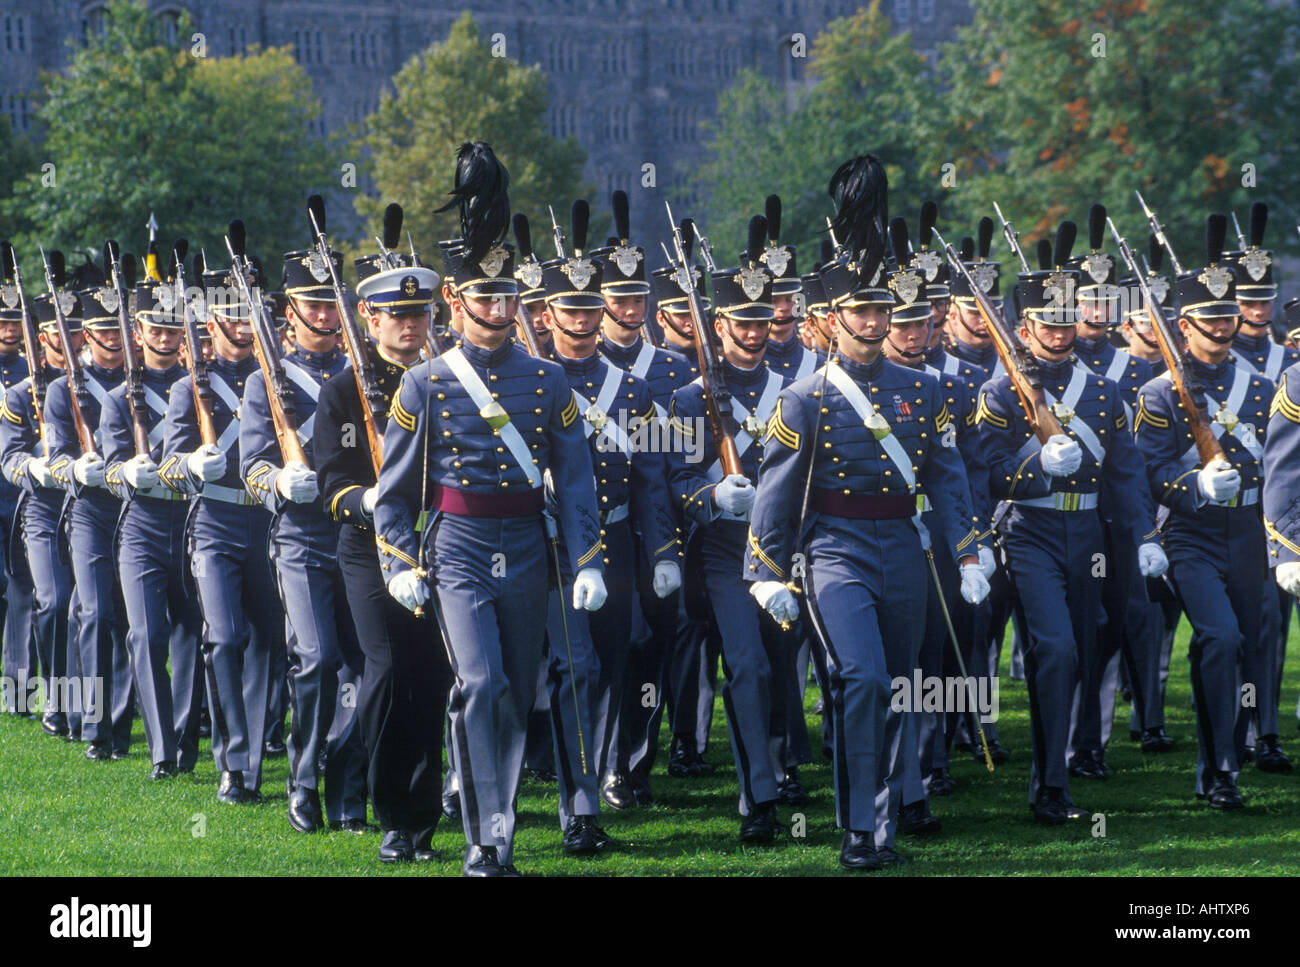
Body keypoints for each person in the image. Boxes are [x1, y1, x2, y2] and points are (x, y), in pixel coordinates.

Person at [748, 154, 988, 869]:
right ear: (831, 316)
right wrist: (765, 568)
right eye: (862, 309)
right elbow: (778, 488)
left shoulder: (925, 388)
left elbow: (946, 475)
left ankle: (885, 815)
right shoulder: (804, 398)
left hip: (903, 548)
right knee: (864, 679)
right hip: (834, 549)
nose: (876, 320)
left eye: (883, 309)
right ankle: (858, 828)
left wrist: (970, 549)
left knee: (905, 682)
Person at [374, 141, 606, 876]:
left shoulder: (548, 381)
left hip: (528, 545)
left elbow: (574, 482)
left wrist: (590, 559)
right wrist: (397, 558)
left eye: (509, 297)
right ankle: (486, 841)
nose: (500, 309)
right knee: (480, 682)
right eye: (486, 297)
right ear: (457, 300)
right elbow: (396, 487)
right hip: (459, 544)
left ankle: (495, 826)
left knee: (514, 691)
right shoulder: (424, 385)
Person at [978, 223, 1163, 824]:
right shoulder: (1001, 393)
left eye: (1066, 323)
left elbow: (1128, 475)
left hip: (1089, 537)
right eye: (1047, 325)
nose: (1059, 335)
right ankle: (1049, 785)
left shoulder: (1106, 395)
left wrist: (1145, 537)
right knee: (1053, 648)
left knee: (1082, 650)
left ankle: (1063, 768)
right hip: (1028, 533)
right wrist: (1035, 465)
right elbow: (988, 474)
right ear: (1025, 328)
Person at [315, 250, 453, 862]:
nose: (410, 326)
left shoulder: (449, 378)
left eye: (419, 314)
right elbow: (330, 485)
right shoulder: (343, 391)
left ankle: (423, 817)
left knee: (433, 676)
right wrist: (368, 498)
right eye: (396, 315)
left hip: (440, 544)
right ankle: (389, 810)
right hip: (369, 550)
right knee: (389, 670)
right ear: (369, 318)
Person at [667, 216, 799, 843]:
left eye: (761, 323)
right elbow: (671, 480)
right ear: (719, 327)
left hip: (786, 548)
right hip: (723, 552)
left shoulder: (796, 388)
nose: (752, 335)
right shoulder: (691, 400)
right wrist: (709, 493)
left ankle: (784, 767)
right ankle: (759, 798)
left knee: (781, 666)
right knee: (746, 665)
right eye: (740, 324)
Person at [1135, 215, 1274, 808]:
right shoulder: (1160, 394)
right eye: (1209, 319)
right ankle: (1217, 768)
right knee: (1217, 637)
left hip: (1249, 530)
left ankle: (1242, 740)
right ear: (1183, 325)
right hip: (1191, 534)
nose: (1222, 328)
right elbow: (1147, 474)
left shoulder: (1266, 389)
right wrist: (1194, 483)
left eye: (1228, 317)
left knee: (1255, 642)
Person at [239, 233, 368, 833]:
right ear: (288, 313)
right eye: (310, 305)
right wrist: (278, 481)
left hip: (359, 536)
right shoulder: (264, 378)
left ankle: (348, 779)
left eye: (328, 304)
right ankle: (304, 779)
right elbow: (251, 464)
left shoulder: (363, 373)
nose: (322, 315)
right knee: (316, 661)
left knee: (367, 666)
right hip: (302, 538)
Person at [161, 262, 285, 803]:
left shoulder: (281, 381)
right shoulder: (191, 388)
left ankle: (251, 761)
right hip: (214, 521)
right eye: (232, 315)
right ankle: (230, 762)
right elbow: (167, 466)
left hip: (271, 518)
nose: (241, 325)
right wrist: (193, 463)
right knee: (225, 636)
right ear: (212, 322)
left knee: (270, 643)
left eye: (249, 315)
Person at [101, 276, 204, 780]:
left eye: (171, 328)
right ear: (137, 331)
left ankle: (186, 743)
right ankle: (162, 749)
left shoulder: (201, 389)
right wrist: (124, 472)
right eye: (154, 328)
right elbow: (111, 464)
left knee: (191, 633)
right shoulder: (119, 397)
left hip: (190, 517)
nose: (164, 337)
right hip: (140, 523)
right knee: (146, 634)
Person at [45, 254, 135, 761]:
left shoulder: (144, 383)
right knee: (94, 611)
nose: (112, 340)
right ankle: (95, 726)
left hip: (139, 506)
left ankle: (119, 722)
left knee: (128, 618)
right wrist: (77, 468)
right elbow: (57, 456)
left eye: (117, 329)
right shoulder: (64, 388)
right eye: (102, 331)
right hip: (90, 510)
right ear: (85, 335)